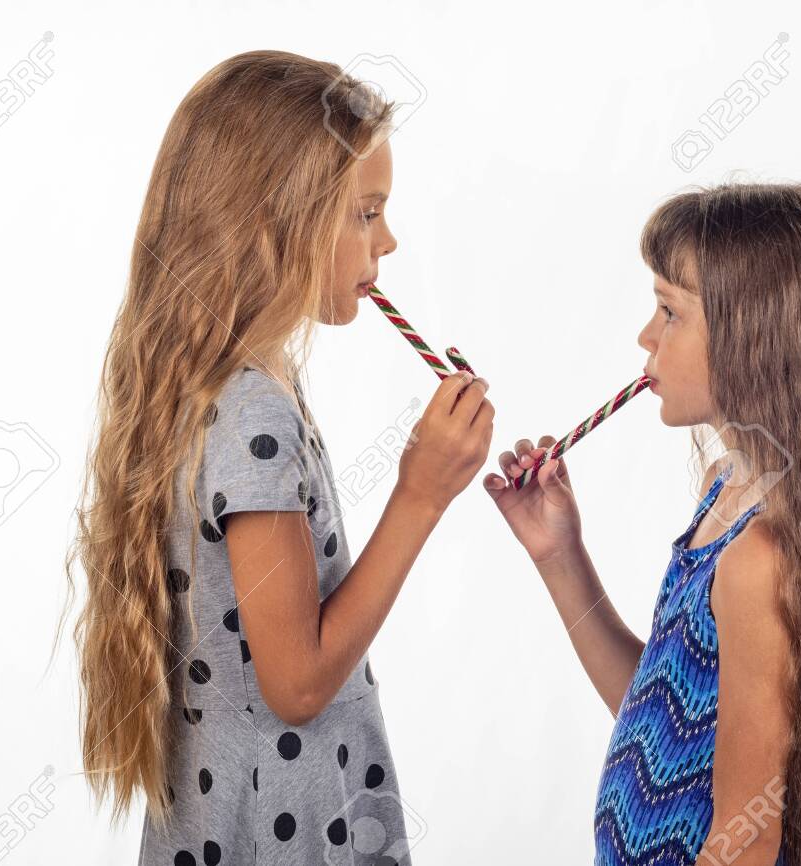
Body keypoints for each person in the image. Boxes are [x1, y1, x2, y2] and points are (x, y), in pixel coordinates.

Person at [63, 50, 493, 865]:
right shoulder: (253, 408)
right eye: (365, 214)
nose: (388, 239)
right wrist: (423, 493)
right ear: (275, 224)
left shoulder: (221, 383)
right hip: (282, 830)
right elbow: (297, 682)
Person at [485, 182, 801, 866]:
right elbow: (666, 725)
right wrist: (559, 554)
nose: (646, 336)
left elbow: (747, 838)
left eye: (669, 312)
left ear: (756, 342)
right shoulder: (726, 493)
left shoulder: (759, 560)